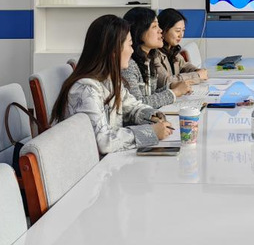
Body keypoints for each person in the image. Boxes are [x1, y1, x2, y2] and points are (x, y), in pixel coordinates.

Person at [50, 14, 174, 155]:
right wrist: (150, 132)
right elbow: (103, 142)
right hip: (90, 164)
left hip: (109, 160)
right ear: (114, 51)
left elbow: (132, 106)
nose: (132, 50)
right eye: (130, 45)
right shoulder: (85, 89)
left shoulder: (110, 80)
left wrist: (152, 115)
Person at [123, 7, 191, 108]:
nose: (160, 30)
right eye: (154, 26)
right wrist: (174, 92)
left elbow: (150, 95)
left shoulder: (148, 59)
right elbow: (137, 104)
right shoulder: (129, 65)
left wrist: (170, 87)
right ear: (139, 31)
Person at [158, 8, 208, 84]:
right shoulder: (155, 54)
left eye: (183, 30)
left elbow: (184, 66)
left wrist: (197, 70)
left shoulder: (173, 50)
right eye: (178, 31)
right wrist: (197, 75)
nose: (181, 35)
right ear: (163, 30)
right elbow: (167, 81)